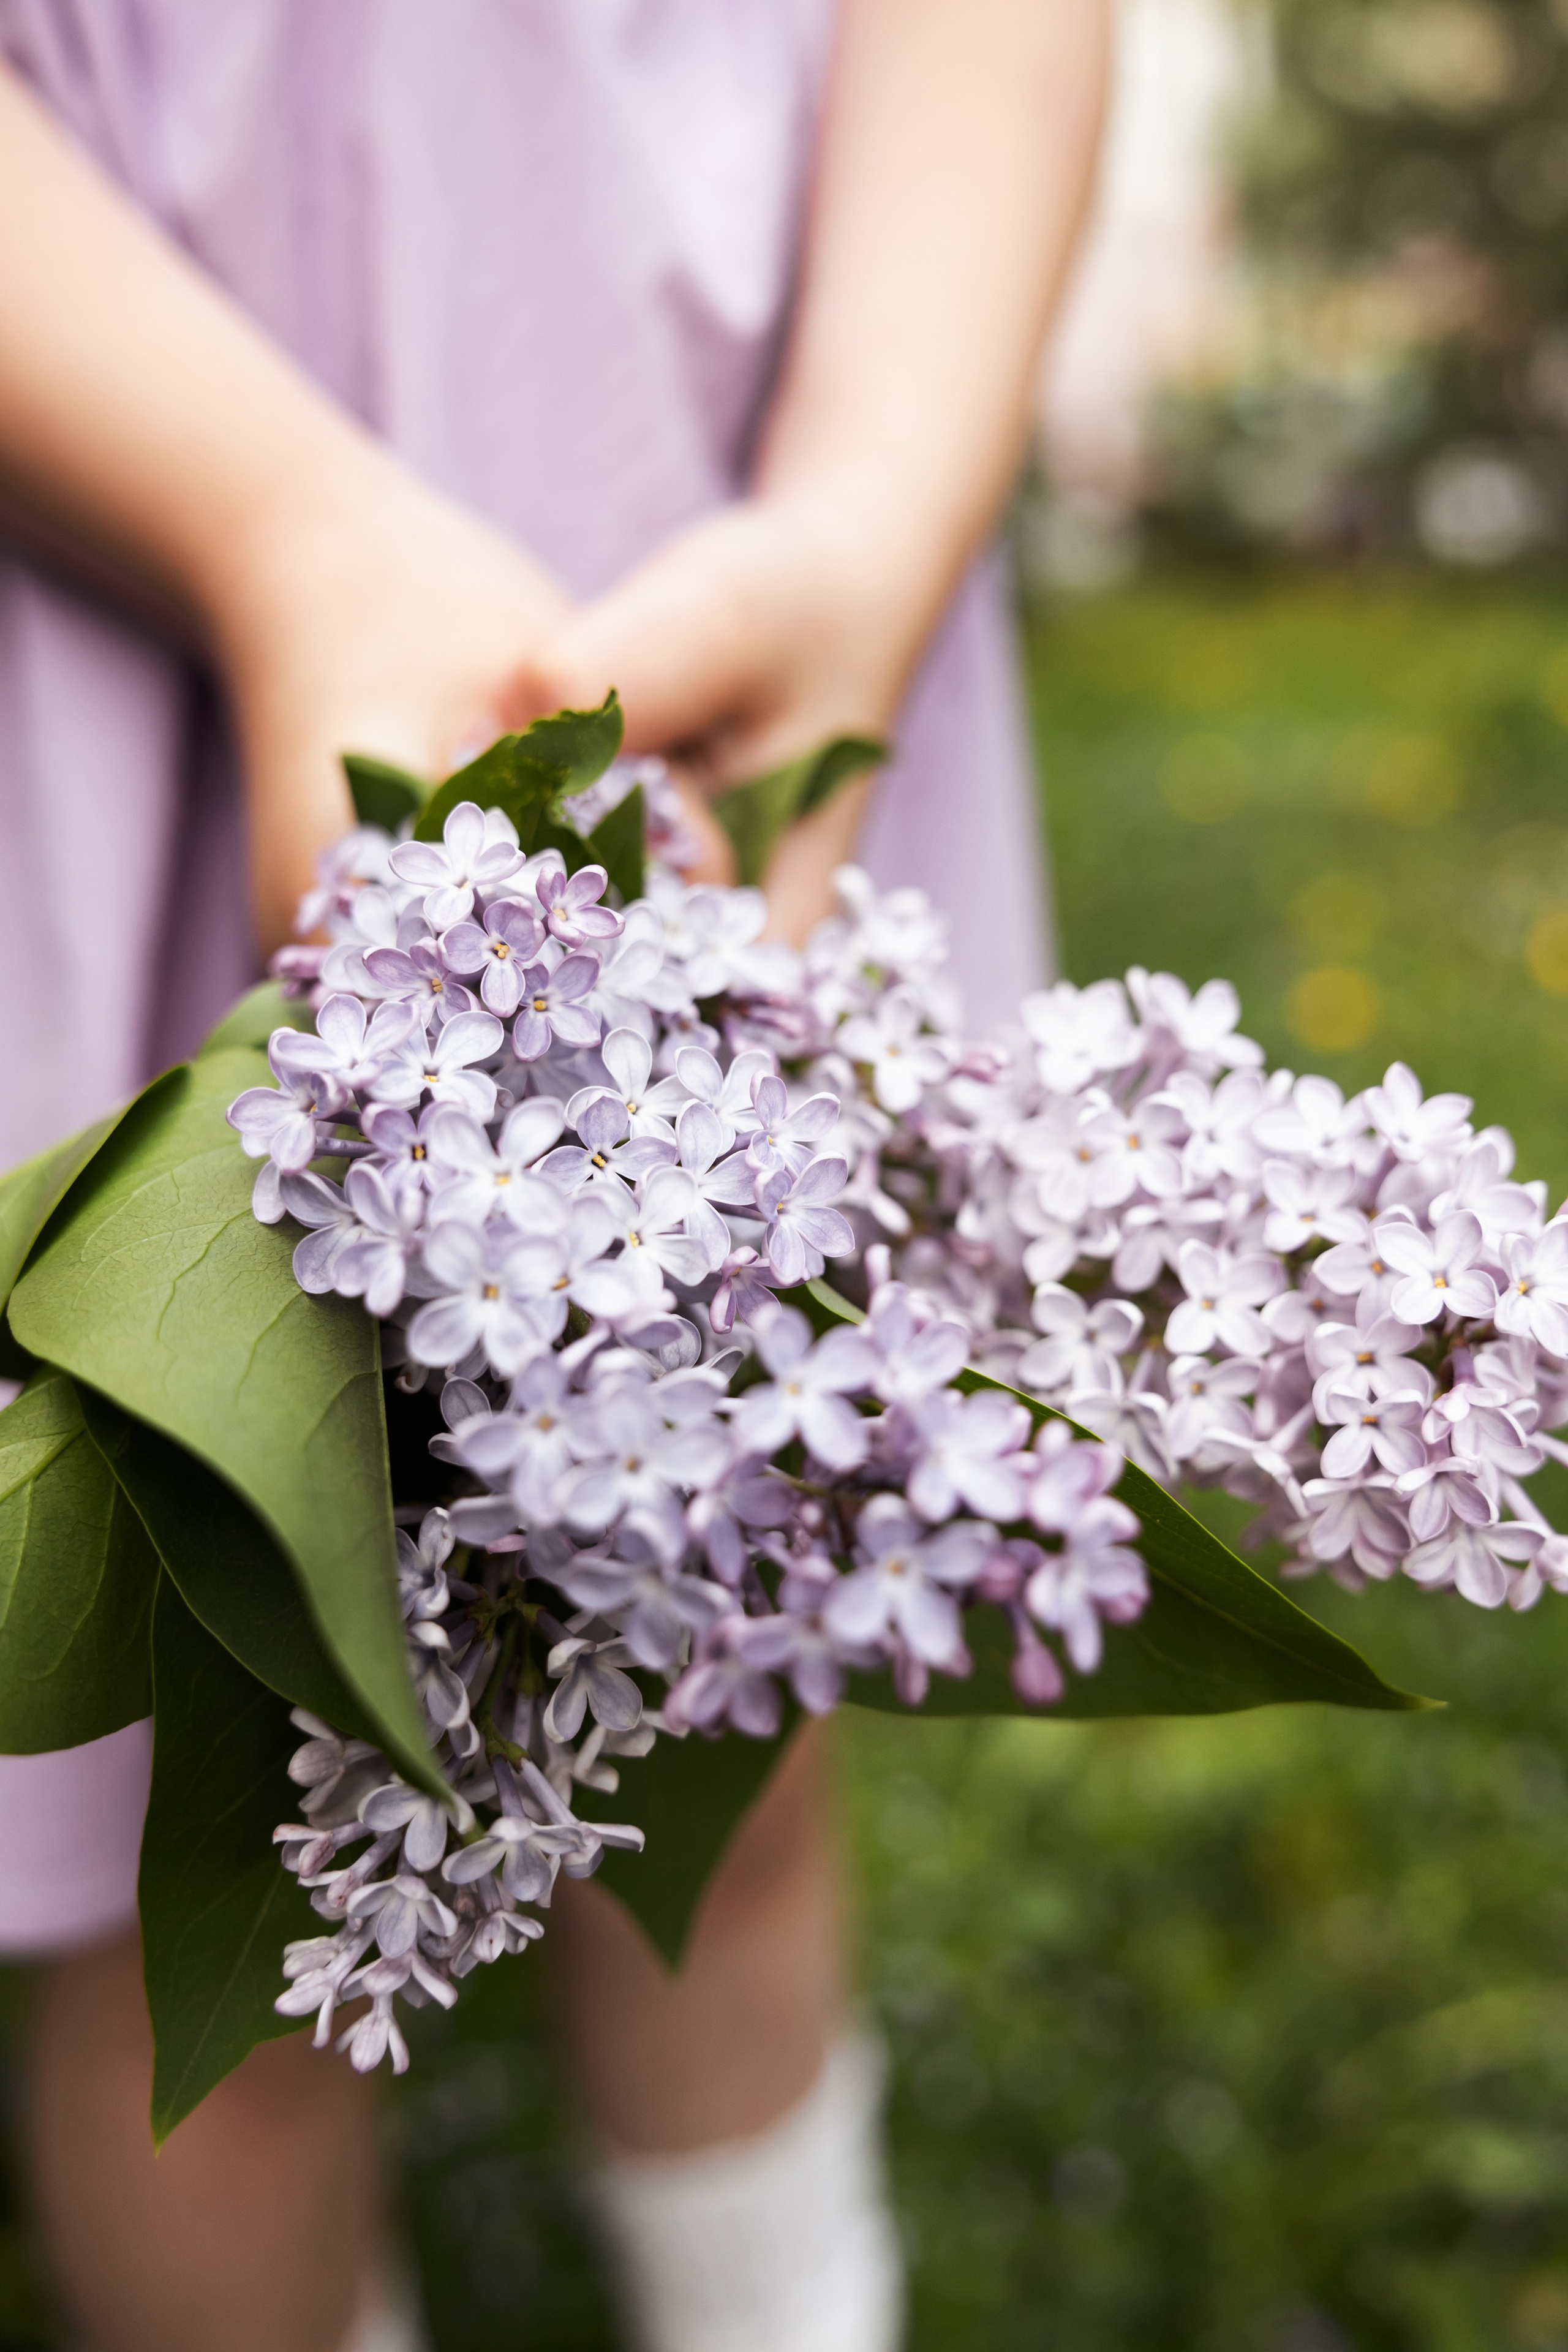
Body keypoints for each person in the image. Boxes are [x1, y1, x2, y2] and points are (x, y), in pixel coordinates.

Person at [0, 6, 1107, 2347]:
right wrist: (272, 524)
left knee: (730, 1689)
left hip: (729, 467)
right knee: (186, 1874)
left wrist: (873, 515)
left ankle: (789, 2305)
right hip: (98, 419)